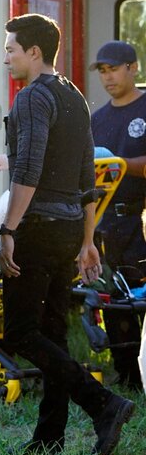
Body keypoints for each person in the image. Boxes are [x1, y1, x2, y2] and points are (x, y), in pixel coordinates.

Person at [0, 14, 134, 455]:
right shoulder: (73, 94)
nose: (6, 58)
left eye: (11, 50)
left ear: (34, 52)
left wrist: (8, 229)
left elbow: (27, 168)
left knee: (20, 332)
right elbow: (86, 177)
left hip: (37, 229)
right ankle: (49, 437)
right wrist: (87, 240)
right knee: (53, 332)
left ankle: (103, 404)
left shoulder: (32, 97)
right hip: (69, 229)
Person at [89, 40, 146, 388]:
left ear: (133, 68)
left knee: (141, 299)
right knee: (112, 301)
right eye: (103, 71)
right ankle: (126, 377)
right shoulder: (97, 119)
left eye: (114, 69)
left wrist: (120, 164)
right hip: (105, 222)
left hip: (140, 219)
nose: (108, 77)